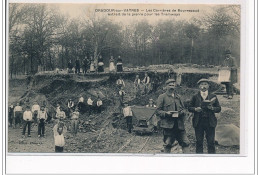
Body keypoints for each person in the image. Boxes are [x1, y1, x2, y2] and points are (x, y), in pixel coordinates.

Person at [188, 78, 221, 154]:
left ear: (208, 86)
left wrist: (212, 108)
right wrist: (196, 109)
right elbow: (189, 108)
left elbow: (219, 108)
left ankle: (211, 159)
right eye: (201, 84)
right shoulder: (195, 96)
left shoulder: (213, 96)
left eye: (205, 84)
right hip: (198, 122)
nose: (203, 86)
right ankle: (199, 159)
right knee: (199, 141)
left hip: (210, 122)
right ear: (199, 86)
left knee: (211, 142)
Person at [156, 79, 190, 153]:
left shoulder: (179, 97)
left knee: (186, 143)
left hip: (179, 125)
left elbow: (184, 109)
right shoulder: (162, 97)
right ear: (166, 86)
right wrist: (166, 113)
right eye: (170, 85)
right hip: (168, 126)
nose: (172, 87)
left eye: (173, 85)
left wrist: (182, 112)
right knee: (168, 144)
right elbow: (158, 111)